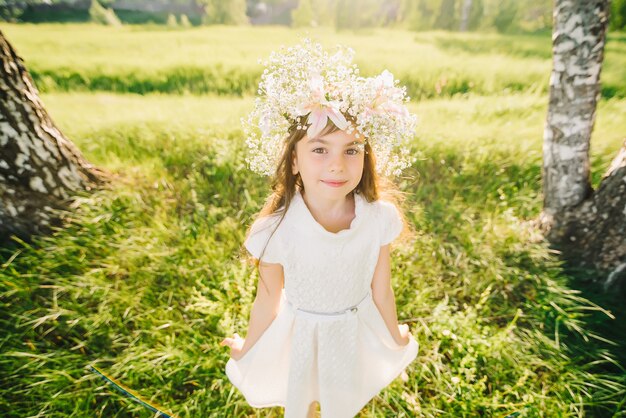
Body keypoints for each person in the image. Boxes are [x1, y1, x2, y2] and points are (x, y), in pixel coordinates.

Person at [219, 38, 420, 418]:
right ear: (293, 160)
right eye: (319, 149)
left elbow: (382, 288)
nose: (337, 166)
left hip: (353, 330)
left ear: (365, 157)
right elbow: (268, 300)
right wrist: (248, 347)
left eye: (351, 150)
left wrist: (394, 336)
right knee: (305, 401)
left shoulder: (378, 219)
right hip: (301, 335)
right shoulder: (275, 231)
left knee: (340, 400)